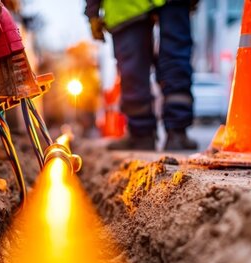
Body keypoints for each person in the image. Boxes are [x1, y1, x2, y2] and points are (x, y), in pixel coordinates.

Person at [85, 0, 198, 150]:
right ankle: (176, 133)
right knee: (173, 59)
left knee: (134, 67)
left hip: (125, 6)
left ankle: (142, 134)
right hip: (129, 6)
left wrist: (92, 11)